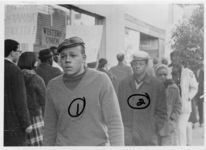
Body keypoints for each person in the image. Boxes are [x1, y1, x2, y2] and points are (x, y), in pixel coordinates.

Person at [43, 36, 124, 146]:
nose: (67, 60)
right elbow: (49, 127)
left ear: (84, 58)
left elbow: (114, 122)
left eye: (73, 55)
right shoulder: (53, 86)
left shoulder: (101, 80)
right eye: (63, 56)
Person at [118, 50, 167, 146]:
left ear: (146, 65)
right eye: (135, 63)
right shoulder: (123, 84)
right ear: (131, 65)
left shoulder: (157, 85)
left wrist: (152, 127)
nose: (137, 66)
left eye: (141, 64)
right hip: (128, 137)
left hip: (148, 137)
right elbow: (118, 108)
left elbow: (162, 112)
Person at [4, 39, 32, 146]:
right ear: (12, 52)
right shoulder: (15, 71)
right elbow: (20, 99)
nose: (19, 54)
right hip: (13, 126)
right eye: (19, 51)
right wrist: (26, 123)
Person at [18, 52, 46, 146]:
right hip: (35, 117)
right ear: (33, 63)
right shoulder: (37, 79)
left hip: (20, 118)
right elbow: (44, 101)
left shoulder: (16, 77)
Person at [172, 60, 198, 146]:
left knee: (180, 128)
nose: (175, 63)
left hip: (184, 107)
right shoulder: (171, 72)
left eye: (176, 60)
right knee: (175, 130)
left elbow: (194, 87)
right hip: (173, 107)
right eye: (173, 60)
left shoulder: (188, 73)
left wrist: (188, 97)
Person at [155, 64, 182, 145]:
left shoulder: (173, 88)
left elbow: (178, 105)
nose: (163, 76)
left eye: (165, 74)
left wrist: (172, 119)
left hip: (168, 127)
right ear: (156, 75)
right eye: (160, 74)